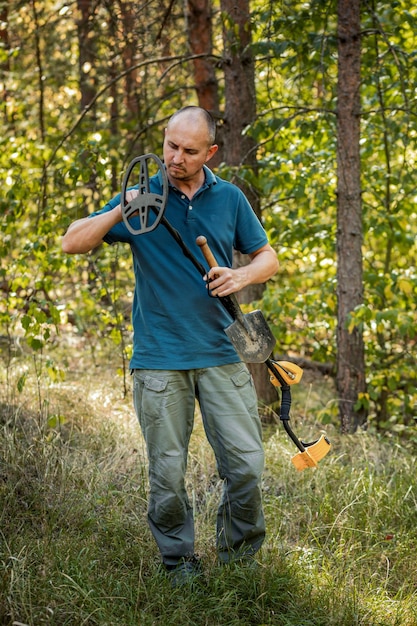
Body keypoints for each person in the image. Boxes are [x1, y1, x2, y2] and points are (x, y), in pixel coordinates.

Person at [62, 106, 278, 586]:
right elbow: (72, 242)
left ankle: (239, 558)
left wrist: (239, 274)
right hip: (160, 359)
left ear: (211, 152)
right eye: (170, 146)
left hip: (223, 352)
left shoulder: (230, 198)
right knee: (167, 474)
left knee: (245, 466)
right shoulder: (141, 197)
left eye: (189, 151)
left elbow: (268, 257)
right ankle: (178, 561)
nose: (176, 158)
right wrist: (125, 205)